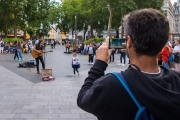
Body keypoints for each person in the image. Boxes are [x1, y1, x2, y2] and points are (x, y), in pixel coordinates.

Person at [77, 9, 180, 120]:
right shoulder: (176, 79)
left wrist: (99, 63)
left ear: (129, 41)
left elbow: (82, 98)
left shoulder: (111, 85)